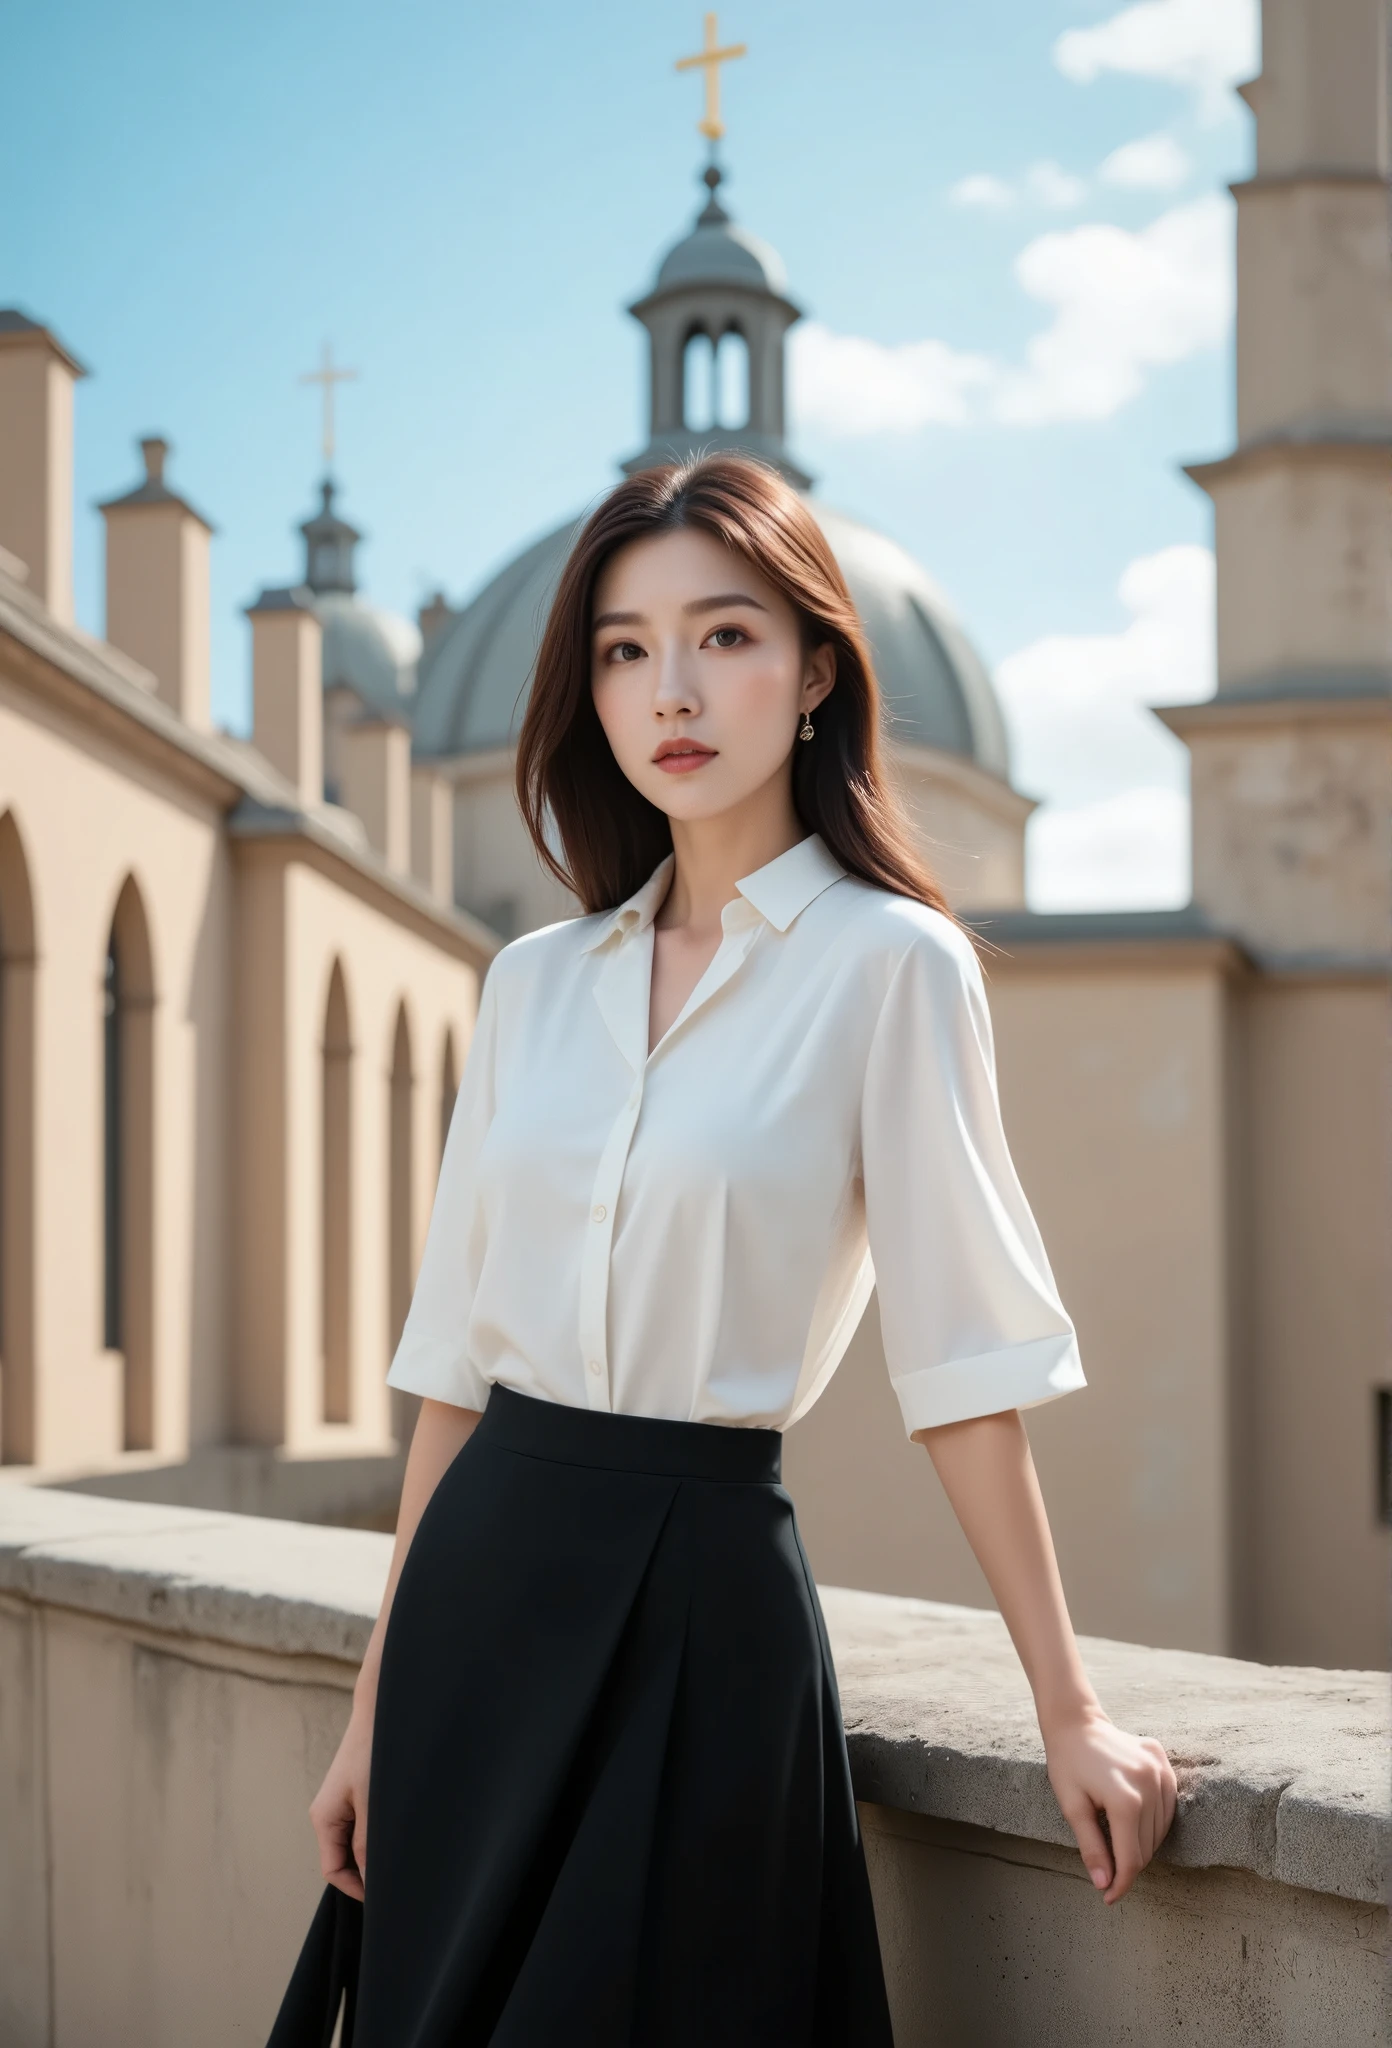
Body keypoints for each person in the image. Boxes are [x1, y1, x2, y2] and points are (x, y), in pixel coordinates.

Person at [267, 453, 1177, 2047]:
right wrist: (369, 1718)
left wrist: (1071, 1706)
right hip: (478, 1608)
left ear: (818, 671)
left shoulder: (893, 966)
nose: (670, 690)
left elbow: (964, 1364)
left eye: (726, 637)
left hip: (700, 1611)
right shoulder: (532, 984)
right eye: (624, 649)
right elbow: (454, 1380)